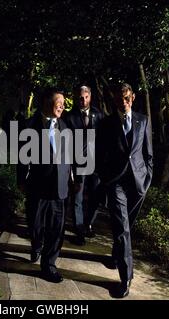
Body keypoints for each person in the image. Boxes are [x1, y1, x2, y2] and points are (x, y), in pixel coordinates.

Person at [96, 82, 153, 298]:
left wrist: (147, 179)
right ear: (115, 100)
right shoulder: (106, 124)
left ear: (133, 97)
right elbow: (99, 155)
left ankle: (116, 254)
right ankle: (126, 277)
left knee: (126, 226)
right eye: (120, 99)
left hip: (138, 183)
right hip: (116, 182)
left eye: (127, 98)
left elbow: (148, 154)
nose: (124, 102)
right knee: (122, 228)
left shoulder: (143, 120)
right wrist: (106, 178)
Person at [17, 88, 71, 283]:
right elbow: (22, 157)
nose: (63, 106)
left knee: (56, 229)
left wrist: (74, 179)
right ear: (48, 102)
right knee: (36, 225)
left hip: (60, 188)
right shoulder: (29, 125)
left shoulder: (65, 126)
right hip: (38, 186)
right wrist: (21, 180)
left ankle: (49, 265)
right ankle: (36, 244)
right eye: (59, 102)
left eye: (63, 103)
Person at [63, 85, 104, 245]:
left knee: (96, 197)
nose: (83, 100)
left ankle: (88, 224)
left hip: (96, 165)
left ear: (90, 97)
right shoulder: (69, 117)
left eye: (86, 97)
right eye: (80, 97)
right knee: (77, 198)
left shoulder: (99, 115)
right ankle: (79, 230)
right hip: (77, 164)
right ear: (75, 98)